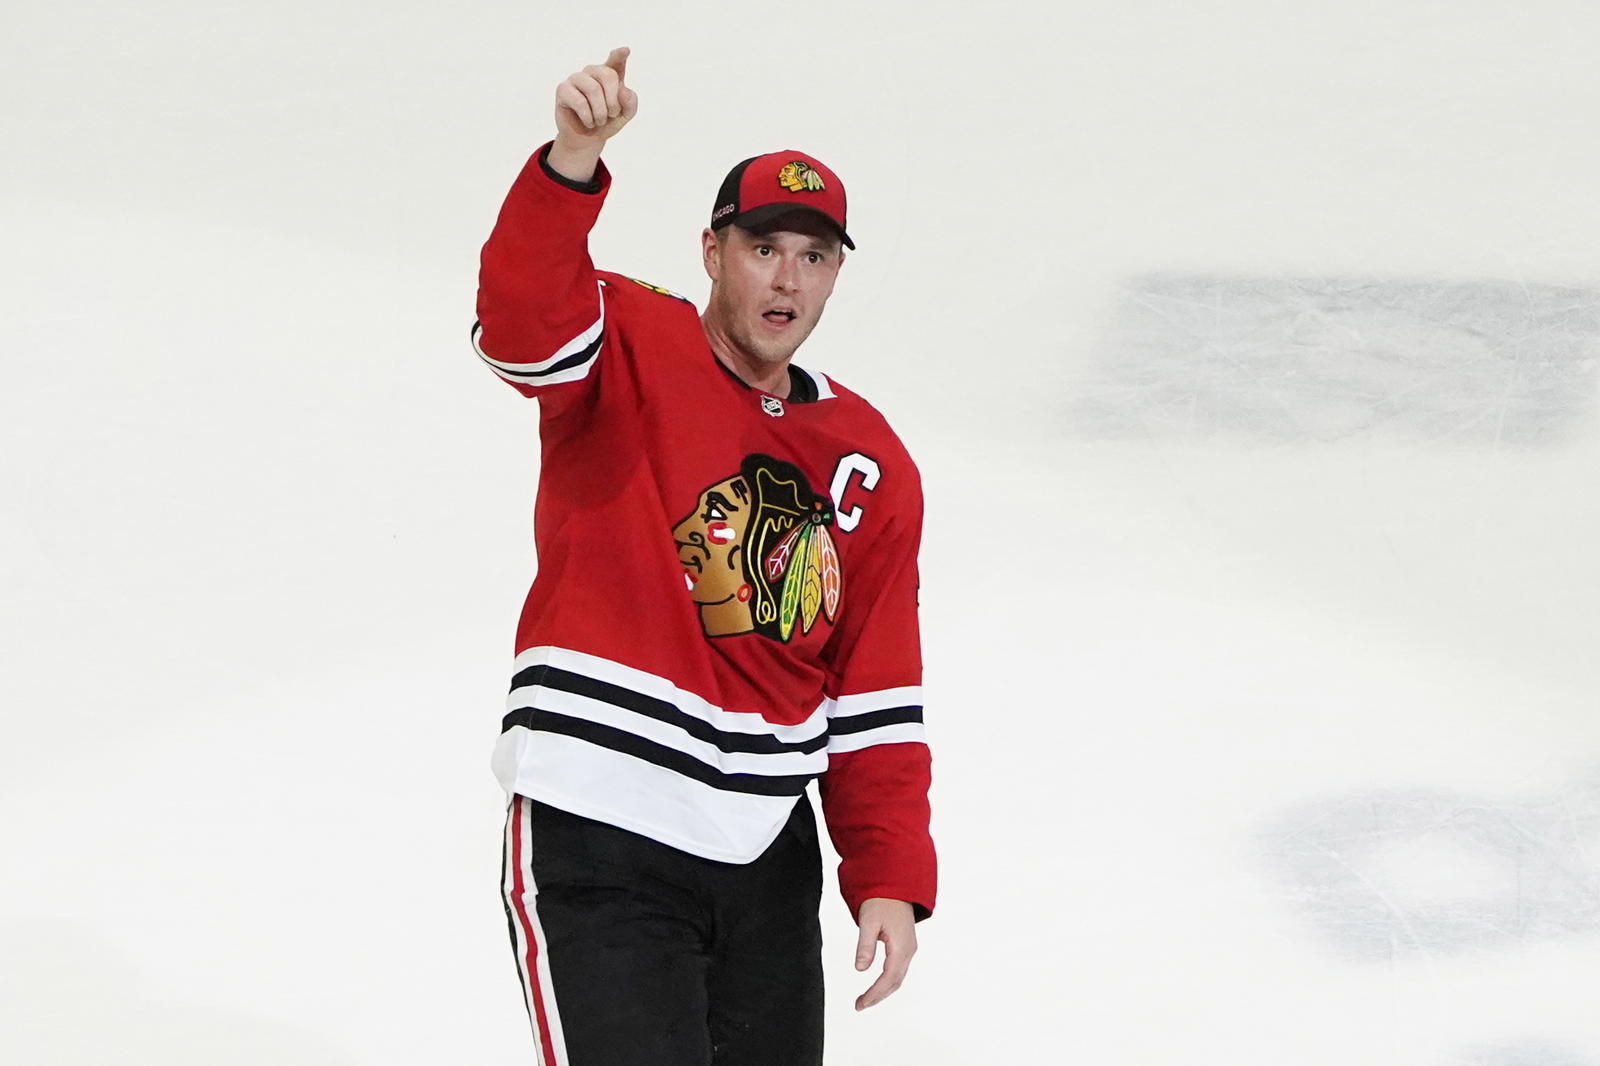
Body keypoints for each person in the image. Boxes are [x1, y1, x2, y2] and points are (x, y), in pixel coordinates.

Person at [474, 46, 935, 1066]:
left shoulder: (869, 461)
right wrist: (571, 164)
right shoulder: (630, 338)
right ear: (711, 251)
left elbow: (873, 691)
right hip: (603, 818)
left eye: (812, 256)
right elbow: (520, 325)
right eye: (763, 245)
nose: (786, 277)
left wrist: (888, 872)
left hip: (764, 854)